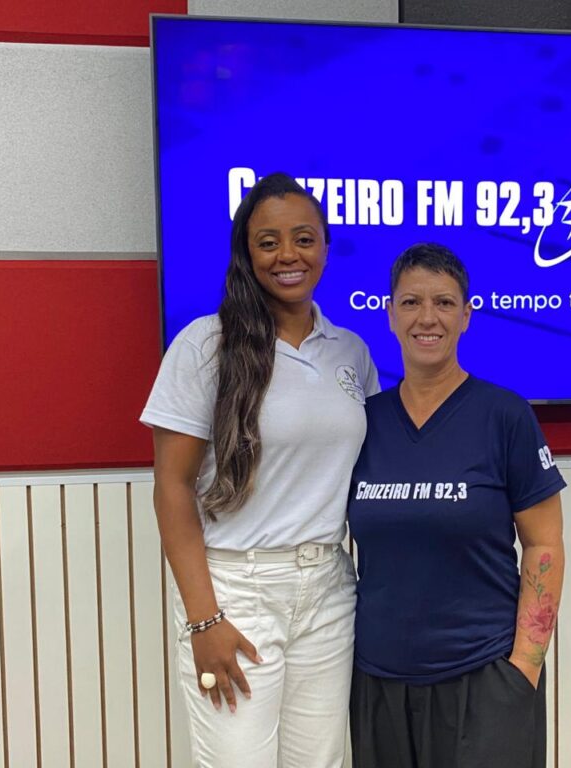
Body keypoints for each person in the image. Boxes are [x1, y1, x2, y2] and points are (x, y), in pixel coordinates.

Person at [141, 172, 378, 767]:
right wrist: (205, 620)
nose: (288, 255)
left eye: (304, 238)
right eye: (268, 242)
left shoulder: (350, 351)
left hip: (328, 589)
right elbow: (172, 488)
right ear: (246, 253)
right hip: (235, 592)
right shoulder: (205, 345)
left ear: (326, 246)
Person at [348, 243, 565, 768]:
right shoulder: (361, 422)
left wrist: (524, 669)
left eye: (444, 303)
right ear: (390, 314)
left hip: (484, 680)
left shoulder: (505, 416)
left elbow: (544, 544)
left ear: (466, 316)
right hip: (379, 683)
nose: (428, 318)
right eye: (411, 302)